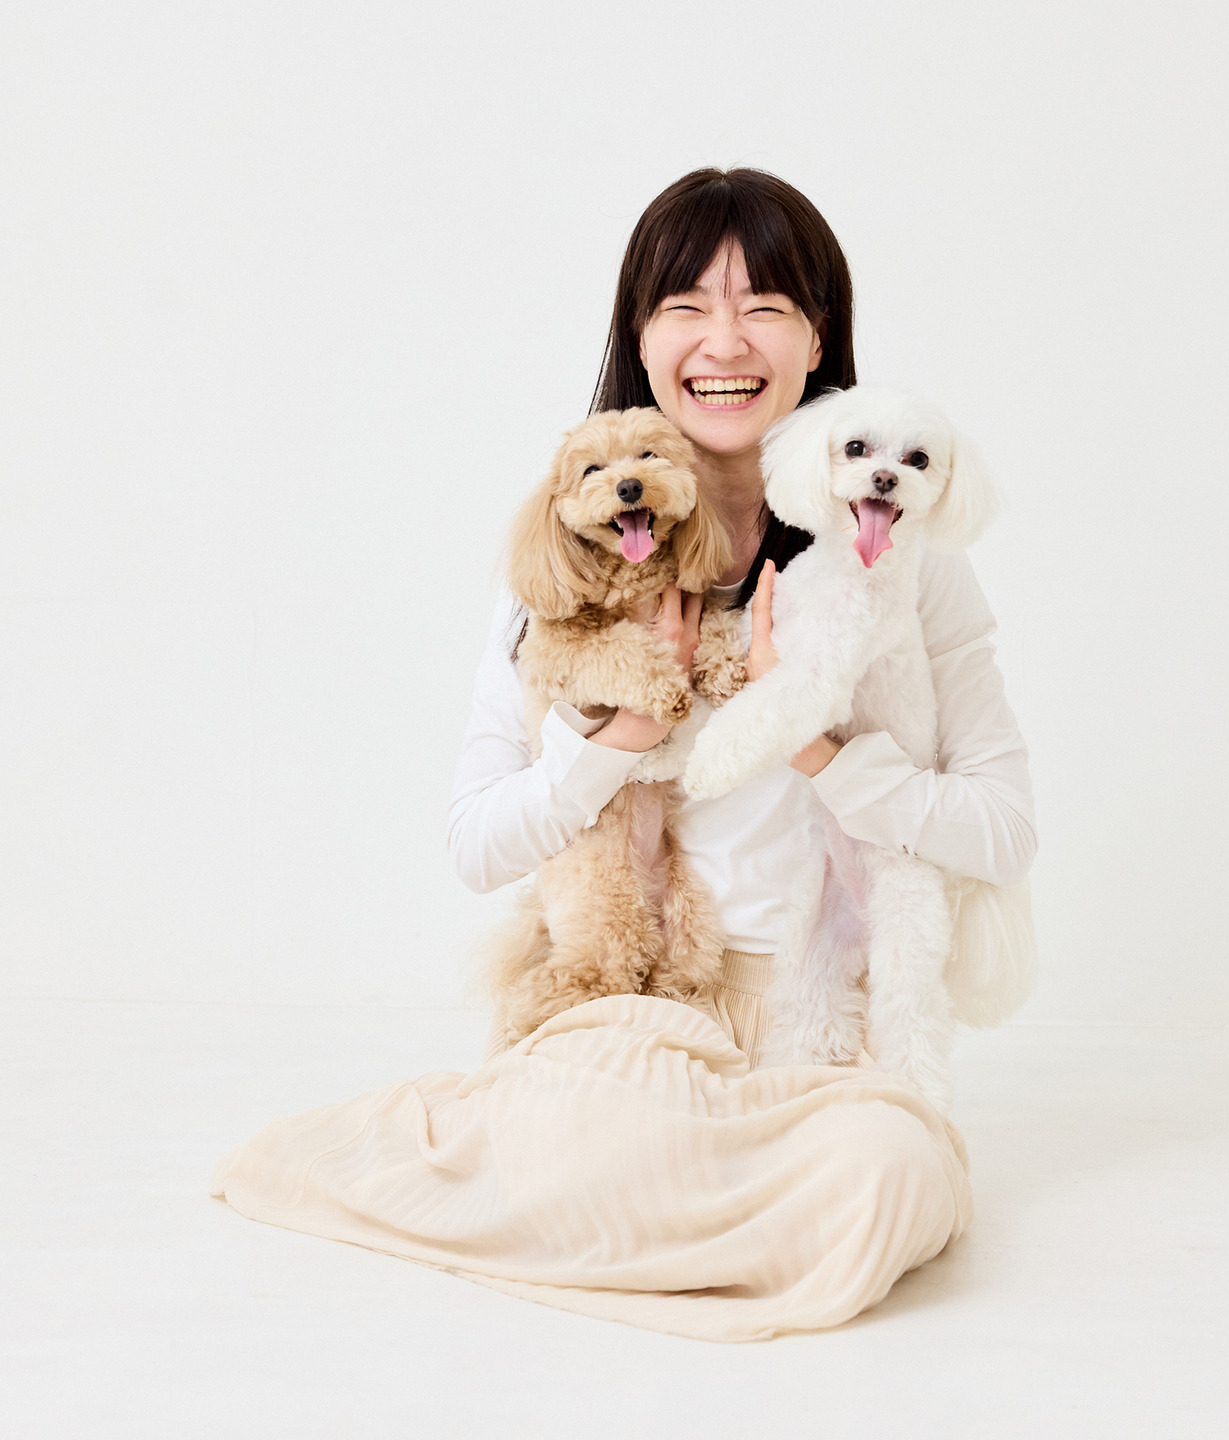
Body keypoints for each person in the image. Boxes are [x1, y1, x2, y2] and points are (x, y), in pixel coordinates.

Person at [211, 169, 1036, 1343]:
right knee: (594, 1132)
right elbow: (476, 845)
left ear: (818, 341)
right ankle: (654, 1199)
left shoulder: (903, 557)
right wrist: (613, 746)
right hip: (631, 1018)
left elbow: (1004, 831)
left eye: (765, 308)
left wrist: (819, 748)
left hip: (818, 1034)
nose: (725, 342)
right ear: (640, 338)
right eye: (686, 306)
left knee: (886, 1173)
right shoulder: (565, 565)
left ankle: (586, 1204)